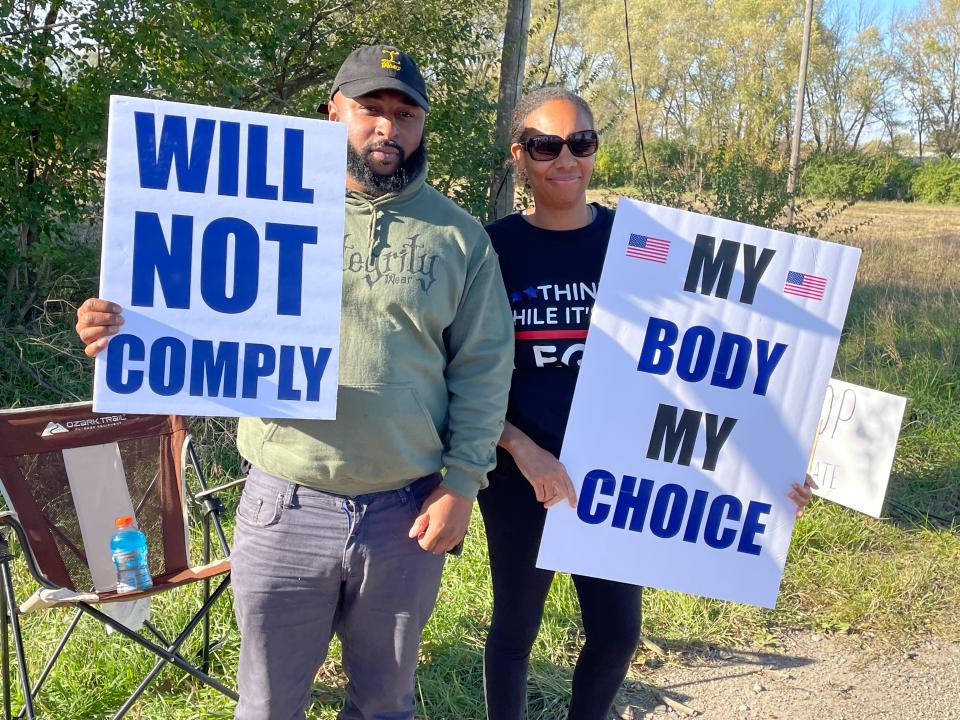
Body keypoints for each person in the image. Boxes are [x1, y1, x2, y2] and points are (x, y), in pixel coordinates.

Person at [75, 45, 514, 720]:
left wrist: (462, 483)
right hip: (284, 505)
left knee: (383, 705)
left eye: (405, 113)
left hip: (406, 514)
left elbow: (483, 372)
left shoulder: (460, 238)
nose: (387, 128)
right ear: (333, 110)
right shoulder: (256, 208)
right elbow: (186, 295)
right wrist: (121, 325)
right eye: (370, 109)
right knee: (267, 707)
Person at [477, 86, 817, 720]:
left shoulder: (640, 242)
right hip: (521, 469)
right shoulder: (489, 248)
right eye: (548, 146)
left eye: (581, 143)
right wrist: (523, 450)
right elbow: (463, 376)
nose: (566, 160)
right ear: (520, 155)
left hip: (617, 469)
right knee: (516, 628)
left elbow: (718, 357)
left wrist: (779, 456)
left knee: (616, 631)